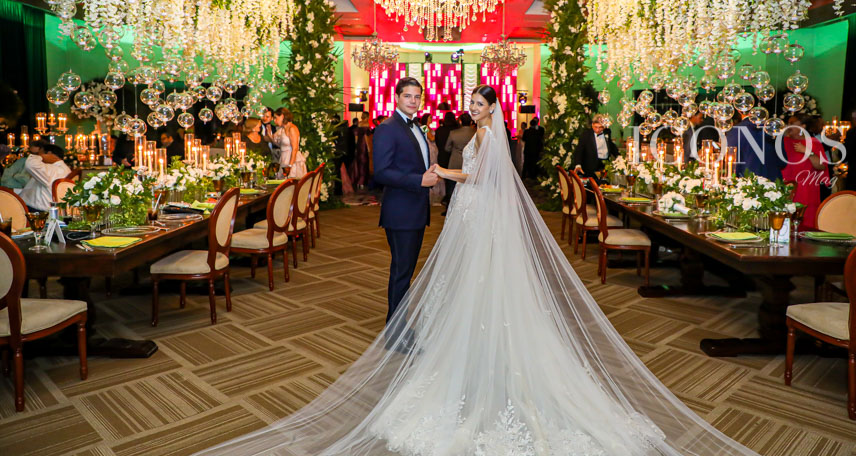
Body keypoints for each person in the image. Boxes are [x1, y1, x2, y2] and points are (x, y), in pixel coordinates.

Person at [197, 85, 760, 456]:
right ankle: (431, 332)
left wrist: (442, 172)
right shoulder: (472, 132)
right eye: (469, 101)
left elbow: (482, 177)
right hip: (461, 211)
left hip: (475, 208)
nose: (471, 107)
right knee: (459, 275)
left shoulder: (488, 136)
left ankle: (453, 340)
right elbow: (426, 171)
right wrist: (439, 173)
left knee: (474, 275)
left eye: (478, 101)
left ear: (492, 107)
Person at [372, 77, 438, 324]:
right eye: (408, 96)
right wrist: (419, 180)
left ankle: (398, 325)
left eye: (417, 96)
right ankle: (395, 330)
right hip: (401, 212)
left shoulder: (415, 125)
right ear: (397, 97)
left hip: (415, 211)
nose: (413, 101)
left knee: (406, 270)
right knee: (402, 272)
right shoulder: (388, 128)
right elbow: (381, 172)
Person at [781, 115, 828, 230]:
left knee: (805, 224)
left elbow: (821, 166)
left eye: (792, 123)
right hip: (786, 190)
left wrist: (807, 151)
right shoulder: (783, 142)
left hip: (806, 191)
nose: (788, 126)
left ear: (803, 126)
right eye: (788, 123)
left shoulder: (813, 143)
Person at [724, 112, 782, 181]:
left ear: (739, 110)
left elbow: (731, 162)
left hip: (746, 181)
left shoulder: (734, 131)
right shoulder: (773, 128)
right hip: (773, 181)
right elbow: (782, 162)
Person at [20, 143, 71, 211]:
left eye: (39, 154)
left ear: (49, 154)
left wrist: (40, 157)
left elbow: (30, 164)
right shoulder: (60, 168)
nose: (38, 156)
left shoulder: (54, 169)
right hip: (32, 205)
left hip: (39, 210)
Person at [573, 113, 619, 181]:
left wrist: (619, 157)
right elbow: (579, 150)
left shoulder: (607, 132)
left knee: (604, 184)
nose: (597, 130)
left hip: (605, 165)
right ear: (592, 125)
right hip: (591, 166)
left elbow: (610, 145)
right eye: (595, 127)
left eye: (600, 127)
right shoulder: (586, 135)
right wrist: (578, 165)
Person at [444, 112, 475, 207]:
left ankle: (450, 207)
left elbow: (447, 148)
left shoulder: (453, 133)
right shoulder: (476, 133)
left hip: (455, 162)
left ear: (460, 122)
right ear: (471, 122)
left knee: (451, 187)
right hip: (470, 163)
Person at [273, 107, 305, 178]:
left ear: (282, 116)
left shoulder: (292, 128)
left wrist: (290, 166)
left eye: (276, 118)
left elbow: (295, 148)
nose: (274, 120)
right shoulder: (282, 129)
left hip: (292, 159)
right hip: (283, 158)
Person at [434, 111, 458, 204]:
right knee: (454, 180)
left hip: (442, 157)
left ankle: (447, 199)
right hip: (454, 158)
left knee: (446, 179)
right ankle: (452, 200)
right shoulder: (457, 130)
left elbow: (437, 143)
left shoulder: (439, 130)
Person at [351, 111, 372, 190]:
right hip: (364, 145)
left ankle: (358, 181)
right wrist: (368, 147)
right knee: (364, 163)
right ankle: (362, 181)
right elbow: (366, 137)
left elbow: (356, 136)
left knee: (358, 162)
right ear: (368, 116)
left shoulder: (359, 124)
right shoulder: (367, 124)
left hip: (359, 145)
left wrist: (356, 146)